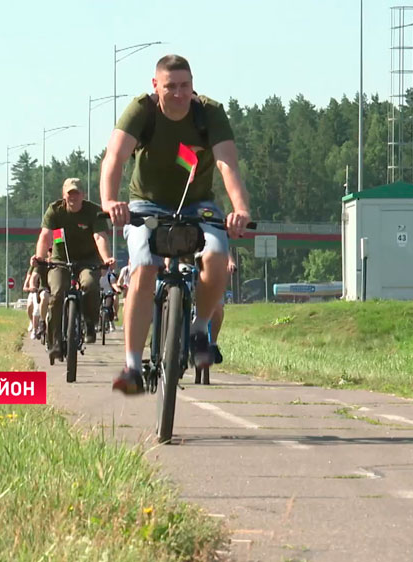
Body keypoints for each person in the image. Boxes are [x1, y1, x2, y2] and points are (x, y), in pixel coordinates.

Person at [100, 54, 251, 395]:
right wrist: (110, 201)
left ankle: (199, 329)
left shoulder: (209, 113)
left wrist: (239, 208)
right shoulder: (142, 110)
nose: (179, 94)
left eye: (186, 86)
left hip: (198, 204)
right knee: (142, 266)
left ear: (193, 85)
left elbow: (227, 164)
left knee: (215, 255)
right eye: (171, 87)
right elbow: (115, 157)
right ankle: (134, 365)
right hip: (145, 204)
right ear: (156, 86)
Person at [33, 178, 114, 362]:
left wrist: (106, 258)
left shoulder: (93, 211)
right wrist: (39, 257)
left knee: (90, 285)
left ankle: (90, 322)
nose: (73, 197)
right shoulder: (55, 211)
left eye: (76, 193)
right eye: (70, 194)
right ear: (64, 196)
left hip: (88, 260)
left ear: (82, 195)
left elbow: (100, 237)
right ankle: (54, 341)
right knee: (56, 294)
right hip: (61, 260)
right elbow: (45, 237)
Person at [98, 267, 118, 333]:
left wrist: (118, 290)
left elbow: (113, 284)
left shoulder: (110, 276)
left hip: (109, 294)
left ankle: (111, 322)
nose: (103, 270)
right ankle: (99, 324)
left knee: (108, 307)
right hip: (99, 294)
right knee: (98, 307)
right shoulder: (97, 276)